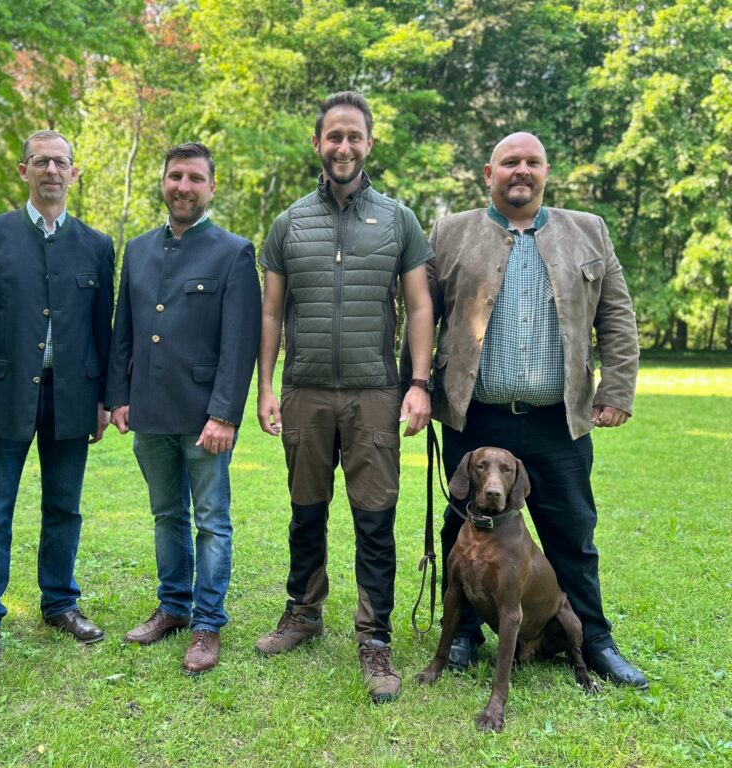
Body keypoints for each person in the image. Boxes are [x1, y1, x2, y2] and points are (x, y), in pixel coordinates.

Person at [416, 131, 646, 688]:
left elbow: (617, 316)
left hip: (557, 418)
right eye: (510, 163)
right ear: (488, 174)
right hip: (479, 416)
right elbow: (422, 313)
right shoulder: (451, 232)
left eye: (532, 163)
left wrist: (615, 389)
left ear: (547, 172)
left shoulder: (588, 230)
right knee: (464, 524)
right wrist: (415, 385)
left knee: (572, 530)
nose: (522, 171)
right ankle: (466, 631)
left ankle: (592, 640)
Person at [254, 91, 434, 704]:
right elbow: (273, 313)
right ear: (317, 143)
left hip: (376, 395)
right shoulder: (288, 223)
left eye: (354, 136)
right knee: (306, 513)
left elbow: (419, 306)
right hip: (305, 392)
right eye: (333, 136)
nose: (343, 147)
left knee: (375, 520)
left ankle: (374, 636)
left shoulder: (399, 220)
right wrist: (266, 387)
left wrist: (417, 383)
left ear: (369, 143)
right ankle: (303, 614)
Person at [0, 130, 114, 665]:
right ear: (23, 171)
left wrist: (104, 399)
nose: (51, 170)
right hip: (0, 397)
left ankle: (60, 602)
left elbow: (102, 332)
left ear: (74, 173)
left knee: (65, 508)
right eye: (40, 161)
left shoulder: (97, 244)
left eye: (60, 162)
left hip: (72, 397)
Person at [106, 142, 261, 675]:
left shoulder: (234, 252)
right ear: (163, 182)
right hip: (149, 409)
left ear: (211, 188)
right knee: (166, 514)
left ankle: (207, 623)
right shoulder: (139, 249)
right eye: (175, 176)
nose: (183, 186)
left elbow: (239, 344)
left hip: (203, 418)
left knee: (212, 522)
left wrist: (224, 415)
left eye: (196, 178)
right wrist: (117, 396)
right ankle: (173, 607)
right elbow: (123, 329)